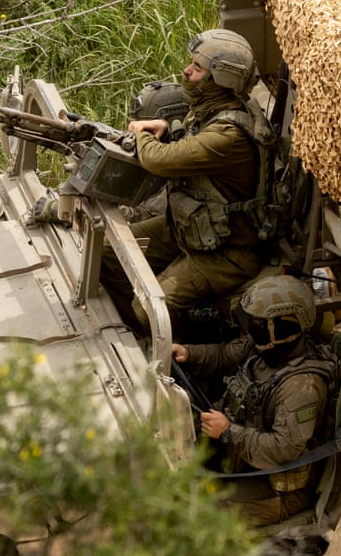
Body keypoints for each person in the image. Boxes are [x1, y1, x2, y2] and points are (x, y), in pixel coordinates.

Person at [99, 28, 264, 340]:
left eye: (198, 68)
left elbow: (159, 160)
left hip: (227, 254)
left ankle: (188, 343)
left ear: (221, 80)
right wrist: (168, 125)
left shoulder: (229, 135)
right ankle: (142, 324)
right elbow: (191, 138)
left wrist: (141, 134)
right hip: (192, 229)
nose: (187, 71)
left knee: (146, 309)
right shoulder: (212, 111)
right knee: (106, 252)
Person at [172, 275, 338, 527]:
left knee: (189, 514)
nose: (254, 328)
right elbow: (225, 355)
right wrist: (189, 353)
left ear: (283, 326)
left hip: (277, 489)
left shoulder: (302, 388)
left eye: (261, 323)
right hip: (242, 458)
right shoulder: (267, 347)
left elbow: (282, 450)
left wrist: (228, 433)